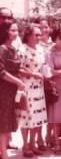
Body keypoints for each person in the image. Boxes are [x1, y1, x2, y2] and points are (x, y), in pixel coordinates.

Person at [16, 24, 47, 157]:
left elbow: (43, 66)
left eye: (40, 34)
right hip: (27, 86)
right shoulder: (22, 49)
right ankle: (26, 145)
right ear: (28, 35)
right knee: (27, 116)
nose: (39, 37)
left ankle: (33, 143)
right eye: (36, 34)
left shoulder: (40, 49)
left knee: (37, 117)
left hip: (39, 88)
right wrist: (33, 75)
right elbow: (18, 69)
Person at [0, 21, 26, 159]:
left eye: (17, 31)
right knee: (3, 121)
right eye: (12, 30)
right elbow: (1, 71)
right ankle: (3, 153)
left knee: (8, 120)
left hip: (12, 90)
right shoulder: (2, 49)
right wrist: (18, 81)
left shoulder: (13, 49)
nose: (16, 33)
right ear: (5, 31)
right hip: (3, 89)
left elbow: (16, 68)